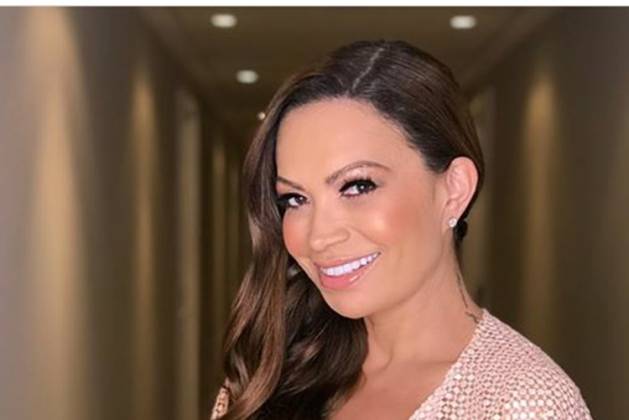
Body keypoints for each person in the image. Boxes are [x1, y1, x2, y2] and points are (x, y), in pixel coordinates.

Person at [211, 40, 591, 419]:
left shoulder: (526, 402)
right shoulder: (270, 375)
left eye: (357, 186)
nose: (318, 236)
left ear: (454, 189)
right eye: (295, 199)